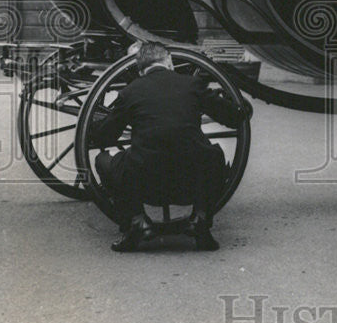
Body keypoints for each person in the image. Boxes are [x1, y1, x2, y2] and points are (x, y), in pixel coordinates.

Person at [89, 42, 250, 252]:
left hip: (146, 184)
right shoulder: (192, 85)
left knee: (102, 161)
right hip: (190, 182)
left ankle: (137, 221)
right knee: (214, 156)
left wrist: (96, 125)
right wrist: (238, 103)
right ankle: (200, 218)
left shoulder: (130, 92)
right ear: (169, 62)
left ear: (139, 69)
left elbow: (104, 138)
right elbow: (234, 117)